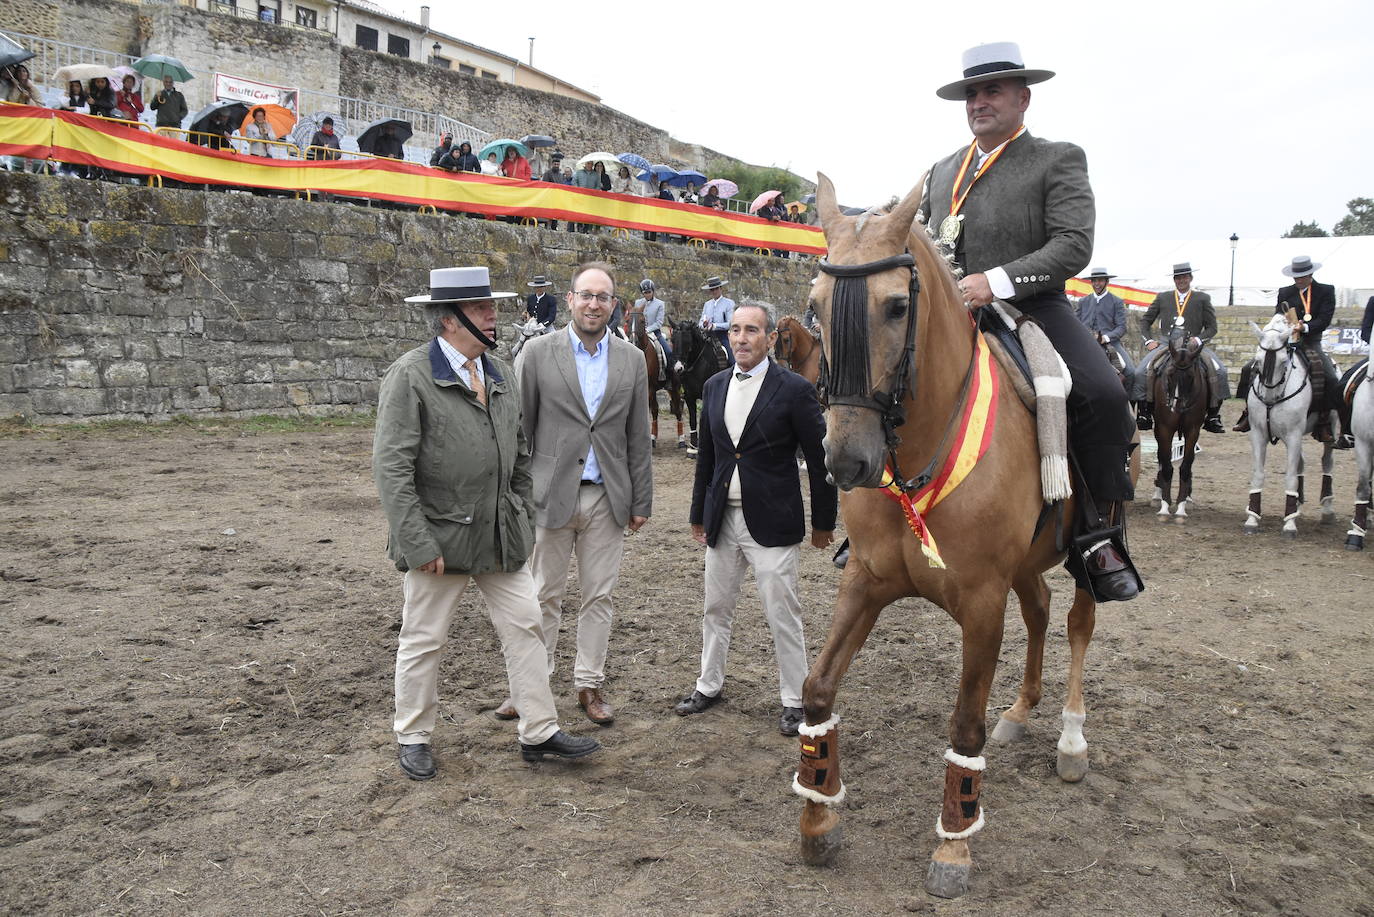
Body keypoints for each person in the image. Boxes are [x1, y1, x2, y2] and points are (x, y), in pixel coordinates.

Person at [918, 41, 1138, 602]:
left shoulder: (1056, 158)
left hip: (1032, 308)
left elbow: (1073, 245)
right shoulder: (940, 171)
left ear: (1023, 97)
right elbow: (914, 236)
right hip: (950, 315)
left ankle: (1098, 535)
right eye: (972, 92)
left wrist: (996, 281)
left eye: (992, 90)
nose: (979, 102)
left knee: (1105, 396)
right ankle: (884, 519)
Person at [374, 265, 602, 779]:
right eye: (480, 307)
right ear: (449, 320)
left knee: (526, 627)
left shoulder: (497, 371)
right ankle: (412, 734)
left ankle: (539, 730)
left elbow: (519, 452)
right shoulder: (410, 375)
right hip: (439, 537)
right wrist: (416, 541)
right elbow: (391, 468)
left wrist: (520, 507)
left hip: (501, 534)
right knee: (424, 637)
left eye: (490, 305)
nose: (492, 314)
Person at [500, 262, 653, 727]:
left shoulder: (630, 359)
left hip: (608, 496)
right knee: (541, 595)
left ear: (613, 304)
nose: (593, 304)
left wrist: (641, 501)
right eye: (585, 295)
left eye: (602, 297)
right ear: (570, 300)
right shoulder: (537, 352)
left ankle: (589, 683)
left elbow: (636, 434)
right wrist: (517, 493)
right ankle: (530, 684)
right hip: (549, 495)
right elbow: (519, 427)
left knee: (598, 596)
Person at [675, 301, 837, 736]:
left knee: (782, 612)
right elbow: (707, 456)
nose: (741, 338)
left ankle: (793, 698)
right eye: (735, 330)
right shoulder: (712, 386)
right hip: (722, 520)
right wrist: (698, 512)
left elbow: (820, 458)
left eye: (751, 330)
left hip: (772, 519)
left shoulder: (794, 389)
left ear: (768, 339)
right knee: (716, 607)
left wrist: (824, 521)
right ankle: (708, 684)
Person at [1233, 255, 1345, 445]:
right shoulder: (1285, 291)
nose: (1298, 280)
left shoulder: (1325, 291)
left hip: (1310, 341)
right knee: (1248, 368)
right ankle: (1247, 413)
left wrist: (1305, 327)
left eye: (1302, 276)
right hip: (1285, 341)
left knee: (1330, 376)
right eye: (1296, 277)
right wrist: (1283, 323)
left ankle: (1324, 422)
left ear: (1310, 274)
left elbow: (1325, 318)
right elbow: (1278, 313)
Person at [1134, 263, 1228, 433]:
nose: (1181, 280)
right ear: (1174, 279)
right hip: (1166, 344)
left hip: (1192, 346)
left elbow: (1212, 327)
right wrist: (1148, 341)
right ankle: (1144, 413)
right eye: (1178, 277)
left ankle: (1213, 415)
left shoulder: (1202, 298)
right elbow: (1145, 321)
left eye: (1184, 277)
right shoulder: (1163, 297)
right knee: (1140, 372)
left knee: (1220, 370)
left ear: (1190, 278)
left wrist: (1199, 339)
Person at [1075, 266, 1134, 380]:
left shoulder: (1117, 301)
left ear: (1107, 281)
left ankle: (1130, 398)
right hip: (1086, 341)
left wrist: (1106, 338)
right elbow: (1076, 323)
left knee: (1131, 372)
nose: (1097, 283)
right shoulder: (1083, 301)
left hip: (1110, 343)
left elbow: (1121, 327)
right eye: (1094, 281)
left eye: (1100, 280)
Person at [632, 278, 673, 374]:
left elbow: (659, 322)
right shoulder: (638, 303)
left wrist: (647, 330)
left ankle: (669, 377)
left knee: (668, 352)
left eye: (649, 292)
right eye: (645, 292)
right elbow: (635, 319)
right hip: (639, 333)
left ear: (653, 291)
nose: (647, 294)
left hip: (655, 333)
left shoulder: (660, 304)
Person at [698, 276, 735, 364]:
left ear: (720, 288)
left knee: (732, 359)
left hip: (722, 336)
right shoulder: (707, 304)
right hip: (707, 336)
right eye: (712, 290)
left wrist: (715, 326)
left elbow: (730, 323)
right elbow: (700, 322)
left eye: (716, 289)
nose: (714, 291)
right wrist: (704, 325)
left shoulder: (729, 303)